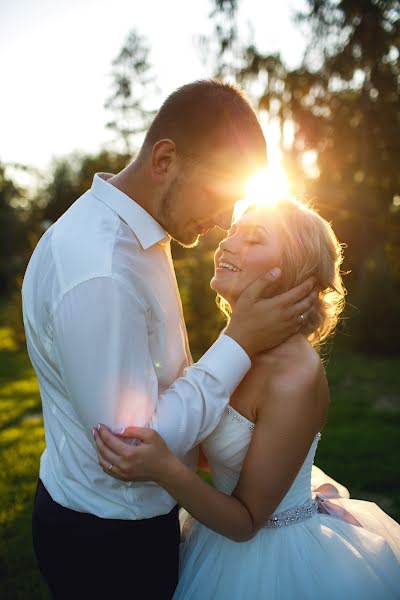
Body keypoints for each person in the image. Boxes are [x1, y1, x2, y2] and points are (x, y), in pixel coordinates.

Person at [21, 80, 316, 599]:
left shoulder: (139, 236)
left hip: (122, 525)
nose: (226, 222)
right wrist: (238, 341)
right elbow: (131, 446)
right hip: (110, 544)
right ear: (165, 161)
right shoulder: (104, 271)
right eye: (221, 198)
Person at [94, 196, 400, 599]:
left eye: (255, 239)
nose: (227, 243)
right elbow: (218, 447)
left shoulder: (295, 376)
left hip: (270, 561)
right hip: (213, 535)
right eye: (234, 232)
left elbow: (247, 521)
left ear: (292, 274)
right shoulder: (239, 347)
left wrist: (164, 469)